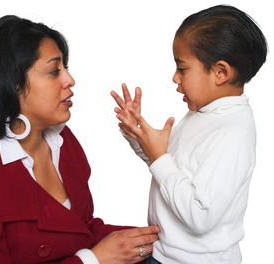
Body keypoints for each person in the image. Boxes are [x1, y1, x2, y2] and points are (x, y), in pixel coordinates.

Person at [0, 15, 160, 264]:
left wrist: (158, 238)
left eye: (66, 68)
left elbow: (78, 230)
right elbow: (85, 250)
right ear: (12, 83)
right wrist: (92, 260)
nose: (70, 80)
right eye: (54, 71)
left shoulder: (62, 141)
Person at [111, 5, 267, 264]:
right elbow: (166, 168)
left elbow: (200, 215)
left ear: (220, 72)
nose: (175, 78)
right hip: (165, 254)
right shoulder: (204, 114)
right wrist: (138, 134)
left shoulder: (232, 133)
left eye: (182, 68)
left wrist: (160, 156)